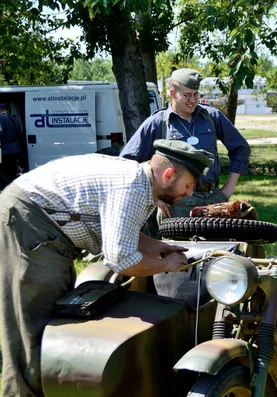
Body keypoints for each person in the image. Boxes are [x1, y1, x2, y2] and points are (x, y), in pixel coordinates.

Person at [0, 139, 213, 396]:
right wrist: (165, 264)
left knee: (56, 310)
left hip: (47, 227)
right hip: (30, 222)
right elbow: (121, 259)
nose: (190, 193)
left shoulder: (143, 184)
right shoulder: (132, 187)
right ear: (168, 175)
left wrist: (160, 247)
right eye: (188, 185)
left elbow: (124, 235)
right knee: (32, 325)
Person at [120, 68, 250, 226]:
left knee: (216, 249)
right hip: (177, 205)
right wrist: (155, 197)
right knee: (179, 250)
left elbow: (241, 148)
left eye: (196, 94)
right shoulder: (158, 123)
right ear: (172, 93)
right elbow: (127, 163)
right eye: (187, 95)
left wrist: (228, 189)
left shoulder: (212, 117)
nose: (192, 100)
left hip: (214, 200)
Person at [0, 103, 25, 190]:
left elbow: (1, 133)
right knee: (12, 171)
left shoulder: (1, 119)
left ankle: (6, 189)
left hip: (6, 150)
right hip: (15, 148)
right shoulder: (13, 118)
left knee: (5, 172)